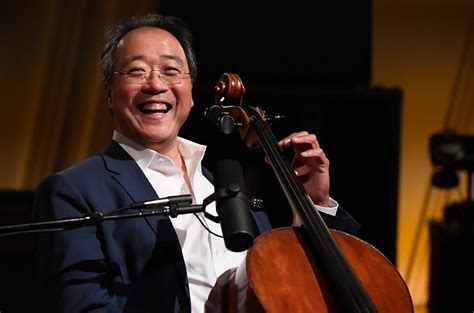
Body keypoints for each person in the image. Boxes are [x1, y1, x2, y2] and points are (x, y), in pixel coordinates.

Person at [32, 13, 360, 313]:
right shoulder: (74, 191)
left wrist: (313, 205)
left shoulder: (231, 193)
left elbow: (316, 291)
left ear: (189, 90)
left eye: (171, 70)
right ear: (109, 92)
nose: (155, 84)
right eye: (136, 71)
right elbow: (81, 305)